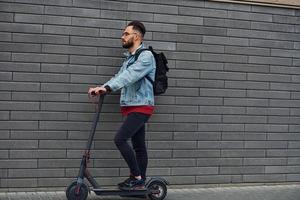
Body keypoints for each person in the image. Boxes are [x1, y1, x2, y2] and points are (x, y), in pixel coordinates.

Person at [88, 21, 155, 190]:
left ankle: (137, 177)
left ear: (137, 36)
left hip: (141, 106)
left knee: (120, 139)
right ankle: (139, 182)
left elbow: (130, 76)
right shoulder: (129, 58)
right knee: (139, 145)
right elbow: (119, 76)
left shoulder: (146, 56)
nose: (122, 36)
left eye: (126, 33)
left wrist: (108, 88)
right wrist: (101, 88)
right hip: (131, 106)